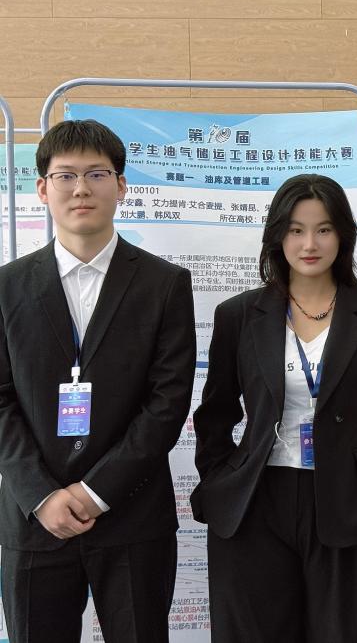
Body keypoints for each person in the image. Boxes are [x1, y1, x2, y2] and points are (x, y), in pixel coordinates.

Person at [191, 173, 357, 642]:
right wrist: (220, 482)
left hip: (350, 502)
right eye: (296, 230)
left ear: (342, 235)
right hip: (256, 502)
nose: (309, 244)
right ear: (277, 236)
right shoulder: (239, 314)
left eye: (323, 229)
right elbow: (215, 414)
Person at [0, 120, 196, 643]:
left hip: (133, 517)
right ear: (42, 189)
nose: (81, 188)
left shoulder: (164, 284)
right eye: (65, 176)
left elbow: (167, 402)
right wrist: (43, 496)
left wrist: (94, 492)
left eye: (96, 174)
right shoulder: (7, 287)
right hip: (34, 518)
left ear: (121, 185)